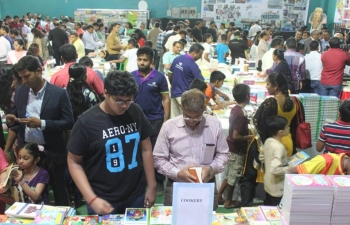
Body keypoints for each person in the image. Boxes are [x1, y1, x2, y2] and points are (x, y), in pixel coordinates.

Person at [67, 71, 156, 215]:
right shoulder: (86, 122)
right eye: (119, 100)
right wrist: (91, 198)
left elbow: (146, 148)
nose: (124, 105)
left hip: (136, 193)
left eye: (129, 100)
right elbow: (73, 161)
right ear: (105, 93)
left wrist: (152, 186)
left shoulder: (135, 111)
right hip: (103, 198)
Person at [6, 55, 74, 206]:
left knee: (59, 190)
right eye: (21, 77)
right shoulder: (21, 92)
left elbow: (69, 122)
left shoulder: (58, 93)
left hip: (53, 151)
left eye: (27, 76)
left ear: (38, 71)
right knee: (31, 194)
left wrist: (42, 124)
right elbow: (16, 120)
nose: (24, 81)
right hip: (29, 152)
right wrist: (12, 121)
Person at [153, 89, 230, 210]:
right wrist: (177, 173)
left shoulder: (214, 124)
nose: (192, 121)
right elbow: (158, 159)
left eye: (197, 117)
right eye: (188, 117)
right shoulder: (169, 127)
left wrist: (210, 169)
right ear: (181, 107)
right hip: (176, 185)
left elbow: (223, 154)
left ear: (204, 108)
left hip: (206, 185)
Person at [130, 47, 170, 195]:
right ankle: (141, 180)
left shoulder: (159, 77)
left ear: (152, 61)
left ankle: (158, 180)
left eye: (145, 60)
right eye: (139, 59)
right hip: (135, 120)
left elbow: (166, 99)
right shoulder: (131, 76)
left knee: (155, 151)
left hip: (155, 119)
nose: (141, 62)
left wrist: (166, 119)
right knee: (136, 151)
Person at [253, 72, 304, 158]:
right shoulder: (296, 101)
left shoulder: (270, 103)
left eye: (268, 84)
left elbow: (260, 124)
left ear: (275, 86)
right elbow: (295, 125)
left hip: (274, 144)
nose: (266, 87)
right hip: (289, 141)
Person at [220, 84, 253, 209]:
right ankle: (228, 201)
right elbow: (236, 135)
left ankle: (219, 195)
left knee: (229, 174)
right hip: (238, 149)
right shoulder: (242, 114)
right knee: (234, 175)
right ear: (247, 96)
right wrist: (249, 137)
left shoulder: (235, 109)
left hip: (231, 147)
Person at [259, 115, 289, 206]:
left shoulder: (268, 141)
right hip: (277, 187)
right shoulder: (279, 147)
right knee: (275, 211)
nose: (289, 128)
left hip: (268, 183)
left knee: (268, 205)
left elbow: (262, 157)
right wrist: (289, 168)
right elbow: (275, 169)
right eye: (287, 127)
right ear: (281, 132)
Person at [168, 43, 205, 118]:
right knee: (186, 119)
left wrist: (172, 84)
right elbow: (201, 83)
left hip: (174, 92)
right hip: (185, 96)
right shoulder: (193, 65)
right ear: (194, 53)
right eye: (199, 54)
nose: (200, 57)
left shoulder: (177, 58)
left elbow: (170, 74)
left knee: (174, 118)